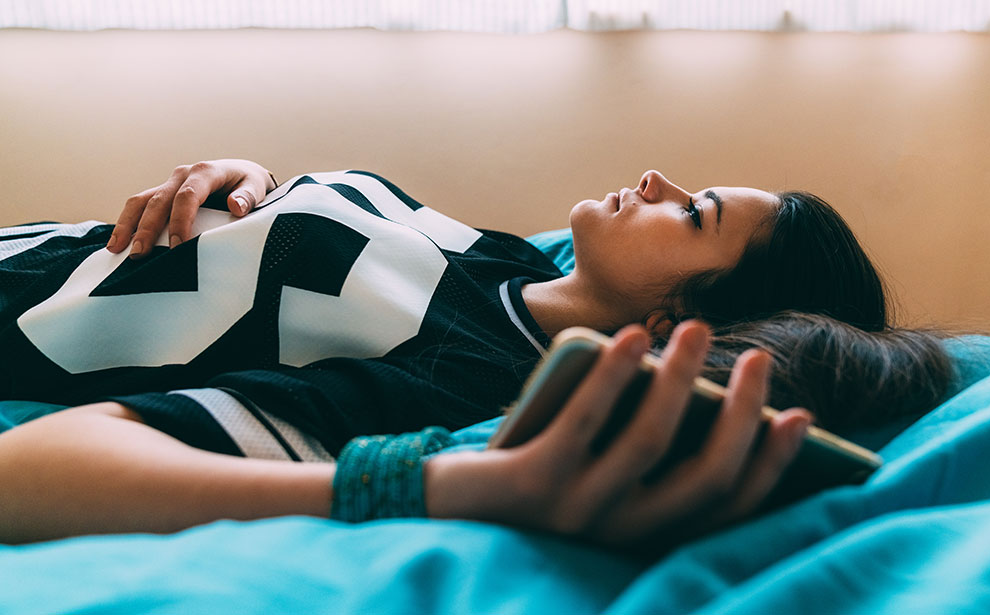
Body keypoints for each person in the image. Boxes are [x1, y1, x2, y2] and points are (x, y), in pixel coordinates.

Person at [0, 159, 904, 545]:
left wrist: (428, 486)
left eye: (693, 213)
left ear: (678, 326)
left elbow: (28, 468)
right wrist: (249, 184)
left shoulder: (458, 376)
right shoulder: (510, 256)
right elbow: (302, 242)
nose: (658, 180)